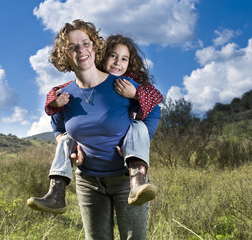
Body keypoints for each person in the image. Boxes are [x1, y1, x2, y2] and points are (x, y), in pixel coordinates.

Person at [29, 19, 161, 239]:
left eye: (86, 43)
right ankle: (56, 192)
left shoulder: (122, 85)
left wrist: (137, 143)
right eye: (73, 47)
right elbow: (57, 127)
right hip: (88, 181)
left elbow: (154, 107)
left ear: (94, 45)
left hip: (125, 178)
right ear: (65, 55)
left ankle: (138, 178)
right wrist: (70, 148)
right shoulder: (64, 95)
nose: (81, 50)